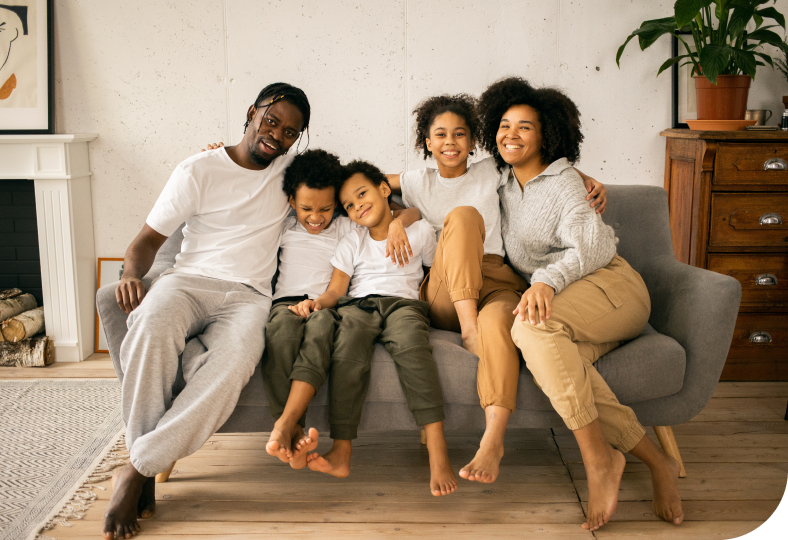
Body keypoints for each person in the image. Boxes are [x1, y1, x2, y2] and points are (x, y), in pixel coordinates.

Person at [104, 82, 311, 540]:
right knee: (151, 328)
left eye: (290, 132)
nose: (276, 135)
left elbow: (363, 180)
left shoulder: (292, 175)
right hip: (188, 282)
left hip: (250, 296)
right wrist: (129, 275)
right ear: (251, 112)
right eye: (271, 120)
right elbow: (146, 242)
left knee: (233, 364)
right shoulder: (198, 168)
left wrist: (409, 212)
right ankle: (144, 467)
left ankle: (136, 470)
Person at [477, 76, 684, 531]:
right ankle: (656, 461)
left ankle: (597, 460)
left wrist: (546, 282)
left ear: (547, 134)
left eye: (525, 127)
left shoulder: (566, 183)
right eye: (504, 124)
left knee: (530, 328)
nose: (510, 134)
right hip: (574, 299)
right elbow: (434, 178)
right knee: (559, 359)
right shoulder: (502, 183)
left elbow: (590, 250)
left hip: (611, 287)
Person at [384, 94, 607, 483]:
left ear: (474, 142)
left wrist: (584, 178)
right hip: (446, 288)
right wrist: (395, 220)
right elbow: (360, 184)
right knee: (465, 217)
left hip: (498, 281)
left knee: (506, 320)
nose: (450, 142)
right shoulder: (416, 182)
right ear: (427, 143)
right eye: (440, 135)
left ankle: (494, 439)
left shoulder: (493, 170)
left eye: (460, 134)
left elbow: (541, 167)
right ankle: (470, 328)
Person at [291, 160, 457, 497]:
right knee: (347, 352)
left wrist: (403, 218)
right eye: (349, 205)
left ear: (385, 190)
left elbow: (434, 276)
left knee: (414, 350)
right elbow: (337, 290)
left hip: (404, 305)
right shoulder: (352, 241)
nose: (357, 206)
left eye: (362, 194)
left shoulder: (420, 230)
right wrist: (316, 304)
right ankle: (341, 451)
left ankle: (438, 450)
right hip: (359, 306)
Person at [261, 149, 422, 471]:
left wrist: (398, 225)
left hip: (327, 304)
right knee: (280, 335)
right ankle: (291, 430)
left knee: (321, 333)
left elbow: (412, 210)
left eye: (326, 208)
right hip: (285, 302)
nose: (316, 216)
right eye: (306, 208)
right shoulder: (283, 226)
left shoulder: (347, 228)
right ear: (291, 201)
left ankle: (288, 432)